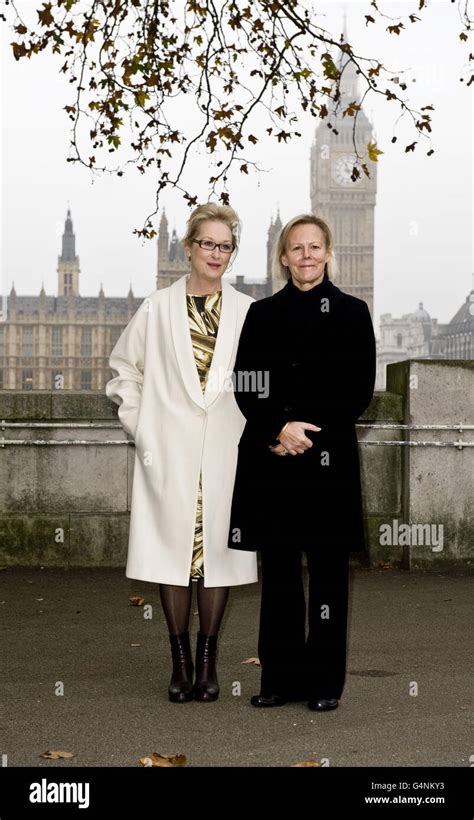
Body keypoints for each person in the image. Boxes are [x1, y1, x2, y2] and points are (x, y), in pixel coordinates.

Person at [105, 203, 258, 703]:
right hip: (166, 454)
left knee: (216, 557)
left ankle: (209, 661)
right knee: (174, 559)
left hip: (224, 452)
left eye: (225, 246)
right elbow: (124, 373)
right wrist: (142, 426)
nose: (215, 253)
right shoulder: (156, 307)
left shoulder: (246, 311)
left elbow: (263, 382)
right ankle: (180, 661)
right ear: (188, 247)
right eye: (207, 243)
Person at [227, 213, 376, 711]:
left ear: (328, 253)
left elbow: (356, 391)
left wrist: (305, 432)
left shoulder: (354, 313)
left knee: (330, 575)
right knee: (282, 575)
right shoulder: (263, 314)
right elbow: (247, 383)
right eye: (297, 248)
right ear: (283, 256)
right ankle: (278, 679)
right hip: (275, 459)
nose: (307, 255)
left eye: (315, 247)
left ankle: (324, 683)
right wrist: (278, 428)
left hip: (327, 460)